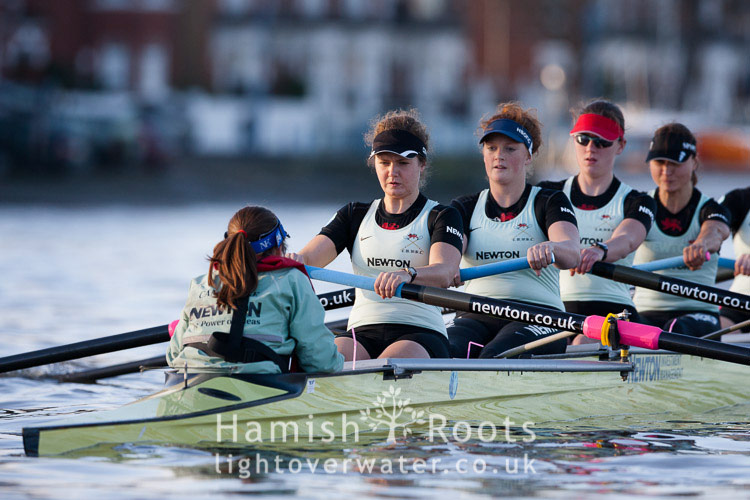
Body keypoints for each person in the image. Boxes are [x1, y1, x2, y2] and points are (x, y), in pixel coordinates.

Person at [287, 109, 463, 360]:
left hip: (421, 331)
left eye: (403, 163)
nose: (393, 172)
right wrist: (290, 263)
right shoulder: (353, 215)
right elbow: (309, 259)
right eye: (385, 163)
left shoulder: (442, 216)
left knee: (389, 364)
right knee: (329, 359)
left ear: (422, 164)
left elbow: (445, 272)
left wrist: (407, 274)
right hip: (362, 330)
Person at [448, 102, 580, 359]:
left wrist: (552, 248)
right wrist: (447, 265)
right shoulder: (464, 207)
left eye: (510, 149)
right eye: (492, 148)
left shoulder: (550, 201)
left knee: (496, 355)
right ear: (484, 154)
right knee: (446, 349)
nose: (499, 155)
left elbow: (572, 253)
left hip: (539, 315)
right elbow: (452, 252)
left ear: (529, 155)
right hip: (476, 312)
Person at [167, 206, 344, 374]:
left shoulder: (201, 282)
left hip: (188, 380)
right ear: (279, 245)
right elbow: (322, 362)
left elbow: (173, 355)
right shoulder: (291, 280)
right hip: (261, 386)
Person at [538, 99, 656, 344]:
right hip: (556, 309)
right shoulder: (546, 195)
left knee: (583, 341)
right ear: (574, 140)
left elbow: (628, 238)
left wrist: (601, 250)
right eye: (583, 139)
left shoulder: (637, 201)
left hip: (613, 311)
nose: (591, 148)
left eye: (602, 141)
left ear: (621, 145)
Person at [632, 123, 731, 337]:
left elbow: (716, 231)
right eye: (660, 162)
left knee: (676, 329)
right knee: (614, 326)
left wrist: (701, 244)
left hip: (699, 313)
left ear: (694, 162)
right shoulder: (639, 205)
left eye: (675, 163)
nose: (667, 171)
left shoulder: (712, 208)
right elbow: (624, 237)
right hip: (646, 313)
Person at [719, 186, 750, 332]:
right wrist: (704, 243)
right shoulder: (739, 199)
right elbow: (711, 226)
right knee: (705, 331)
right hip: (741, 303)